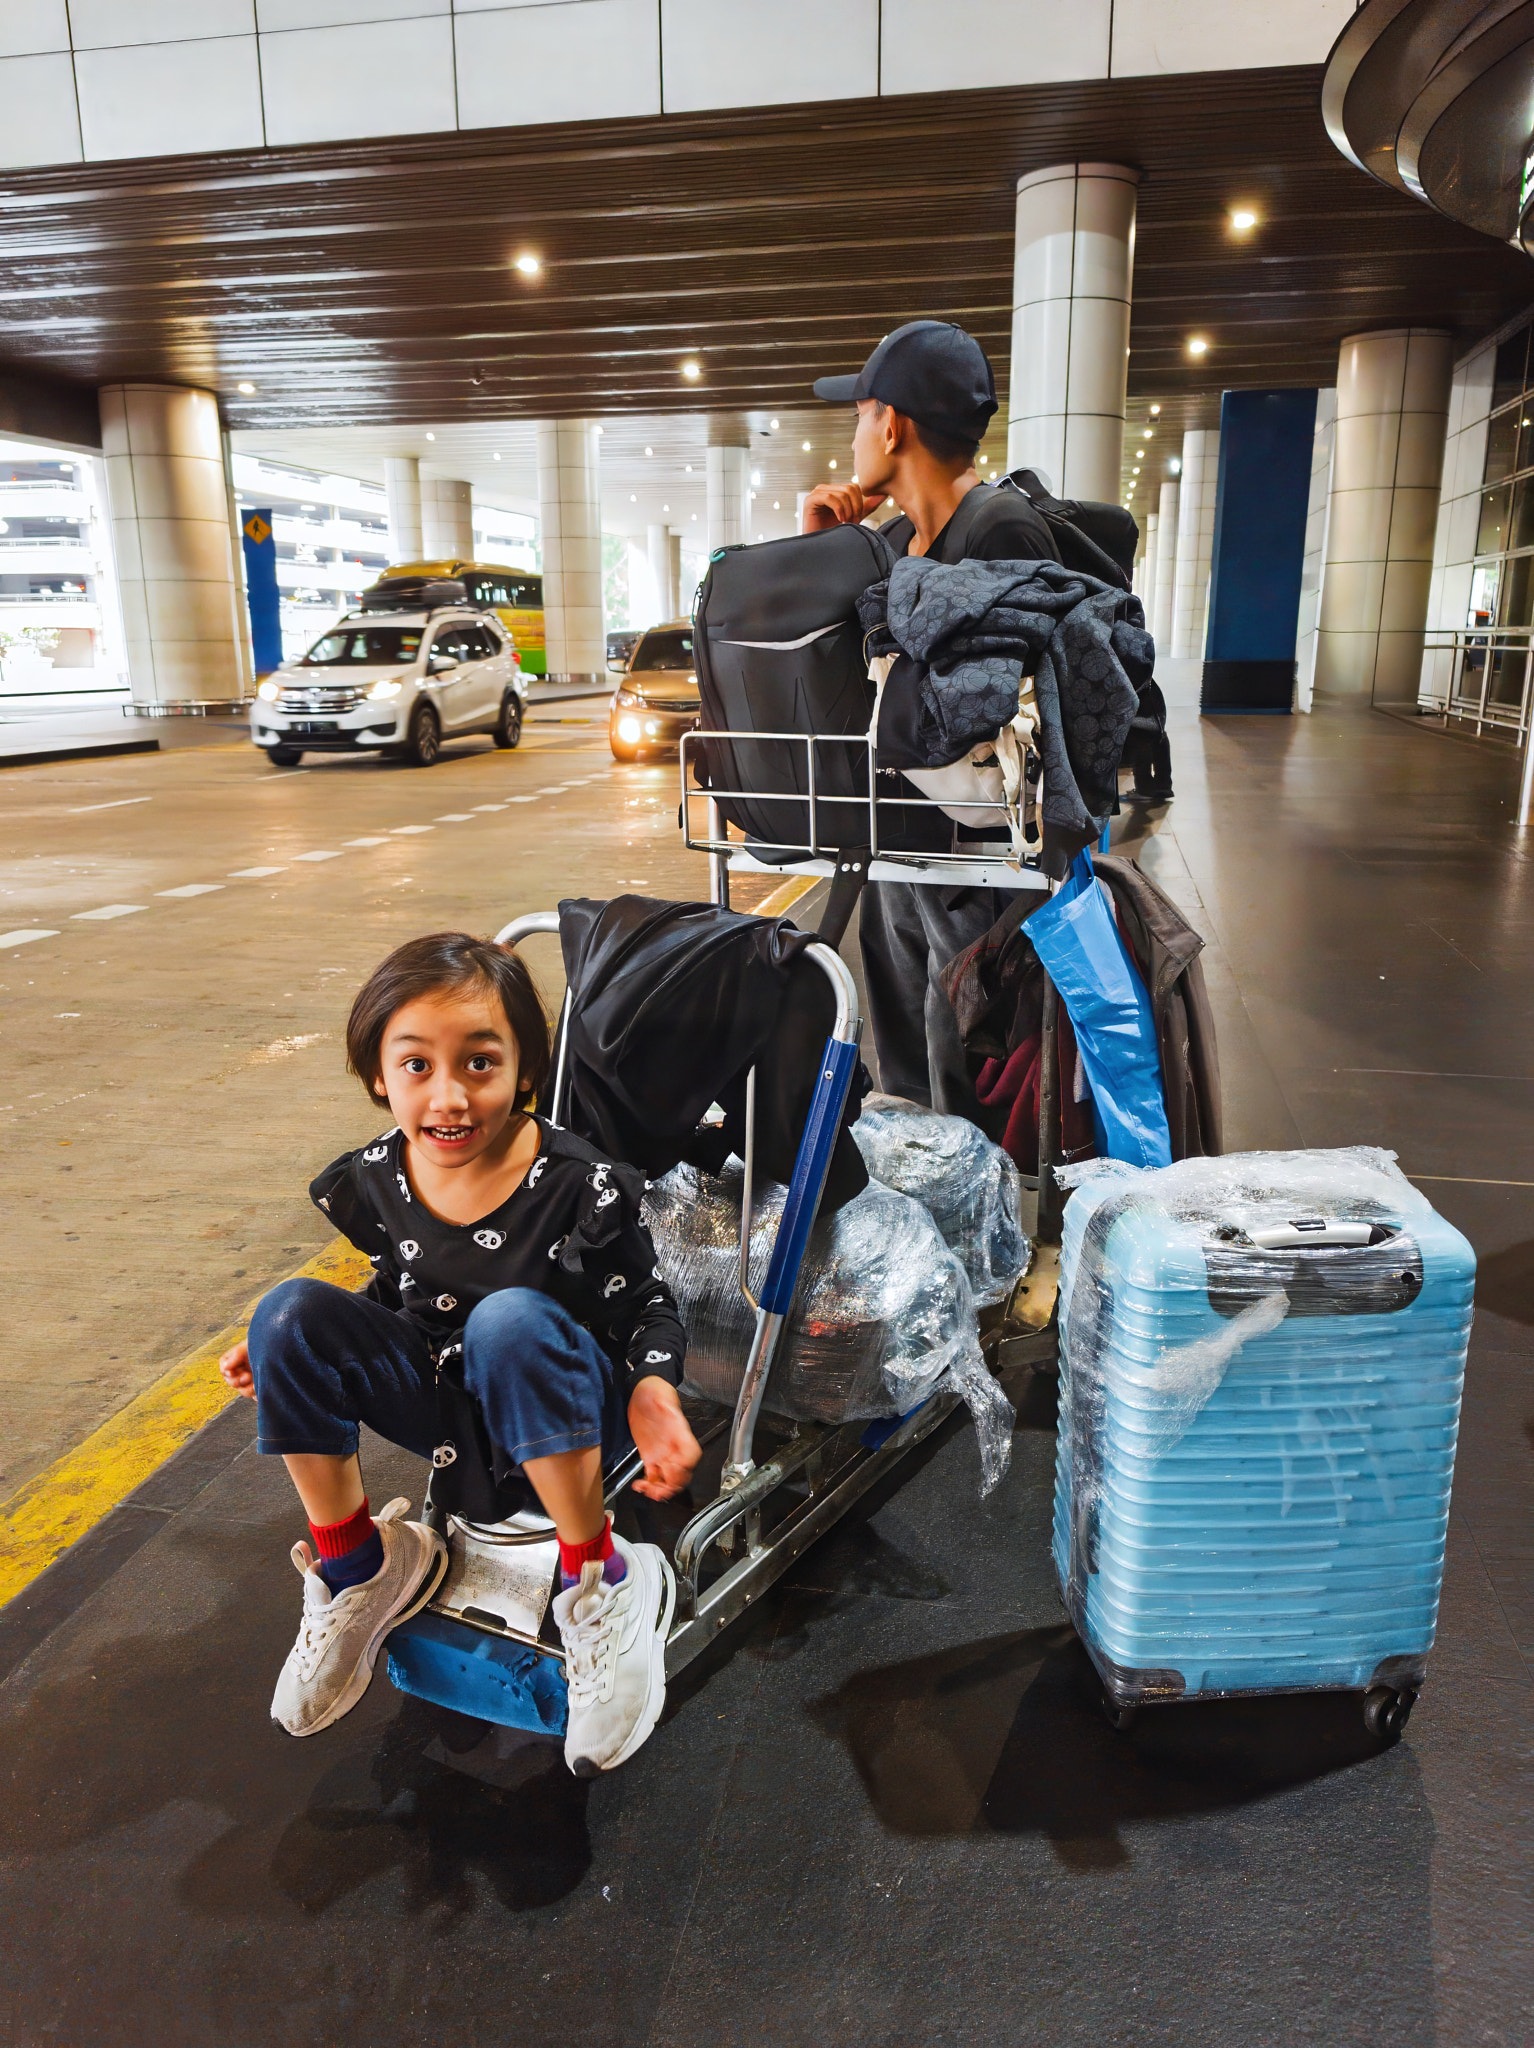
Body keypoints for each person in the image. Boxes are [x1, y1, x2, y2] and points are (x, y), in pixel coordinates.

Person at [217, 930, 701, 1778]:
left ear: (524, 1071)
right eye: (416, 1066)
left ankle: (606, 1576)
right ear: (377, 1075)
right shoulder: (377, 1178)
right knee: (288, 1311)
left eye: (479, 1064)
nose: (449, 1096)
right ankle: (359, 1564)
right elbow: (400, 1292)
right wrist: (292, 1348)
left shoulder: (574, 1182)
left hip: (571, 1403)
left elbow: (648, 1307)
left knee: (509, 1321)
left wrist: (655, 1392)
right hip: (453, 1410)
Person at [801, 319, 1061, 1126]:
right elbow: (839, 677)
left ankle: (973, 1209)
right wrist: (824, 546)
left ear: (892, 423)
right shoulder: (890, 542)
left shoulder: (998, 528)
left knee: (961, 1042)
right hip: (901, 832)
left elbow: (1008, 713)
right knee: (904, 1042)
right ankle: (918, 1197)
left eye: (858, 414)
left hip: (973, 848)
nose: (853, 435)